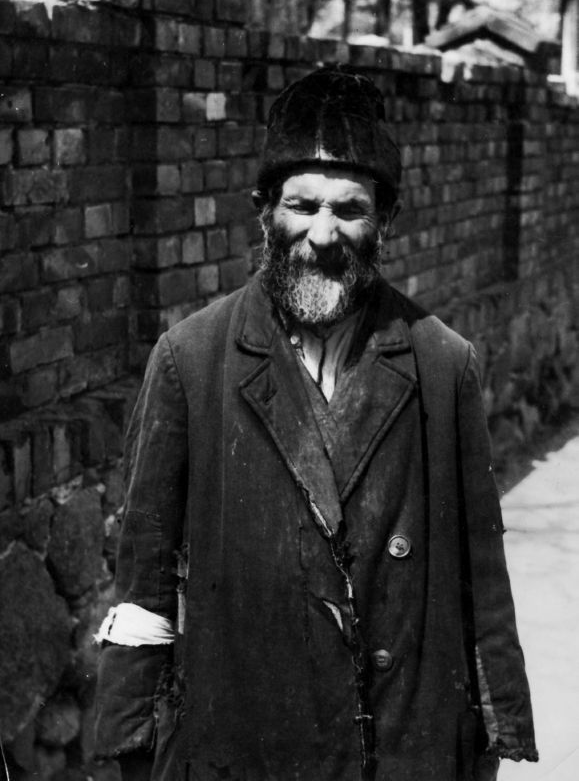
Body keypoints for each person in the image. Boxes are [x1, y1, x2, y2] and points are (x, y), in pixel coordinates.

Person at [94, 67, 538, 781]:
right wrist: (127, 746)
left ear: (384, 218)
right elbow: (143, 584)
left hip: (402, 739)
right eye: (301, 205)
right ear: (262, 209)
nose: (322, 234)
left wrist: (489, 734)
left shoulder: (441, 363)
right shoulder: (191, 360)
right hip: (238, 743)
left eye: (349, 209)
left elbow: (479, 578)